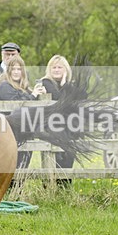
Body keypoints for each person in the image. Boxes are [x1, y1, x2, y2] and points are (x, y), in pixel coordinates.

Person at [38, 55, 86, 186]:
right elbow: (60, 99)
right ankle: (50, 188)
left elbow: (83, 96)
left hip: (71, 128)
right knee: (54, 159)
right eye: (54, 67)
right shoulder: (46, 82)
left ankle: (65, 190)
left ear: (66, 69)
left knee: (68, 158)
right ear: (49, 69)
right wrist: (67, 87)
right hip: (52, 128)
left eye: (60, 67)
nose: (57, 70)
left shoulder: (72, 84)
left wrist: (65, 83)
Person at [0, 56, 46, 170]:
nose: (16, 72)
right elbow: (16, 105)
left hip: (24, 132)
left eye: (19, 69)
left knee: (24, 163)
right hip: (10, 131)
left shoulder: (25, 88)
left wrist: (41, 95)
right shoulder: (5, 86)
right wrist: (33, 95)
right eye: (13, 69)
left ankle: (19, 187)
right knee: (12, 164)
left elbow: (33, 108)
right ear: (8, 71)